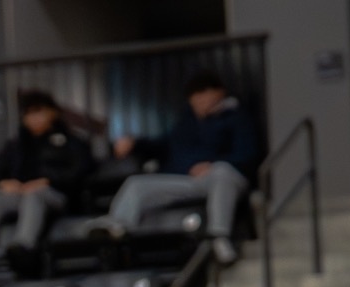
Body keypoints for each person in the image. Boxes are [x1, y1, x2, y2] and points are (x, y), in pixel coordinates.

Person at [88, 69, 260, 266]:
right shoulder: (187, 122)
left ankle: (218, 238)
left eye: (205, 99)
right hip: (187, 180)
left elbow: (247, 154)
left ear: (219, 93)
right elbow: (165, 144)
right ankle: (117, 224)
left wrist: (212, 164)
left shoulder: (238, 118)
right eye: (197, 101)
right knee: (136, 183)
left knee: (222, 171)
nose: (201, 105)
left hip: (226, 177)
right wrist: (135, 144)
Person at [0, 91, 93, 275]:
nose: (34, 118)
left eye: (39, 111)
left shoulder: (71, 143)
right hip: (19, 194)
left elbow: (80, 171)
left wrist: (48, 181)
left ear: (53, 112)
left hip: (55, 194)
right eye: (29, 113)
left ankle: (23, 247)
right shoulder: (15, 146)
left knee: (33, 196)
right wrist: (2, 183)